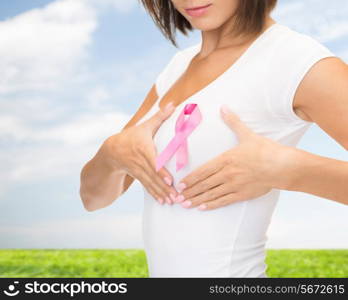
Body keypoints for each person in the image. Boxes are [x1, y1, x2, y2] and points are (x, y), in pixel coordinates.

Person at [80, 0, 348, 277]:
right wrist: (111, 153)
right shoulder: (177, 66)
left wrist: (290, 170)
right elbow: (93, 199)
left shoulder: (298, 61)